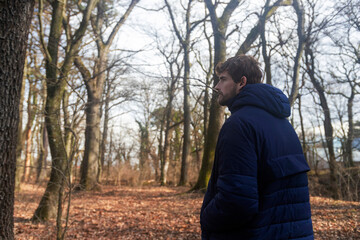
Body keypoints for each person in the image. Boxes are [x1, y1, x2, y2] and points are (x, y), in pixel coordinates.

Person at [200, 55, 313, 240]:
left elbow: (236, 201)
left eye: (222, 79)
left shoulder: (239, 125)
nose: (216, 87)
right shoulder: (283, 124)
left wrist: (206, 218)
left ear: (241, 82)